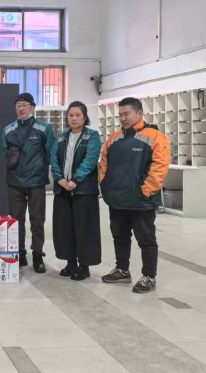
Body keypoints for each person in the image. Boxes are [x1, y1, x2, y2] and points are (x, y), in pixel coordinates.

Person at [99, 97, 170, 294]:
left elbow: (159, 167)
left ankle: (149, 276)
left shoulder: (155, 136)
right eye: (120, 115)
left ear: (139, 113)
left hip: (141, 202)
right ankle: (122, 270)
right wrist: (105, 186)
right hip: (117, 199)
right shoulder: (114, 138)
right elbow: (103, 164)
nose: (123, 118)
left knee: (146, 240)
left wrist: (145, 191)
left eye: (127, 114)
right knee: (120, 237)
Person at [3, 92, 55, 273]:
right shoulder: (8, 129)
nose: (21, 108)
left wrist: (39, 168)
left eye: (24, 105)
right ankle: (20, 253)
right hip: (15, 182)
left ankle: (38, 255)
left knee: (37, 220)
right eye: (18, 105)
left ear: (32, 107)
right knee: (16, 219)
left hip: (36, 181)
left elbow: (50, 152)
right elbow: (5, 152)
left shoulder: (44, 128)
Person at [50, 101, 101, 281]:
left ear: (85, 117)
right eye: (71, 115)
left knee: (84, 228)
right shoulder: (61, 136)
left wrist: (75, 180)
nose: (74, 118)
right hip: (62, 190)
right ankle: (70, 262)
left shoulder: (92, 136)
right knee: (64, 228)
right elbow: (54, 158)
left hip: (83, 191)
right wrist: (59, 179)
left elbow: (90, 160)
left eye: (78, 115)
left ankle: (84, 266)